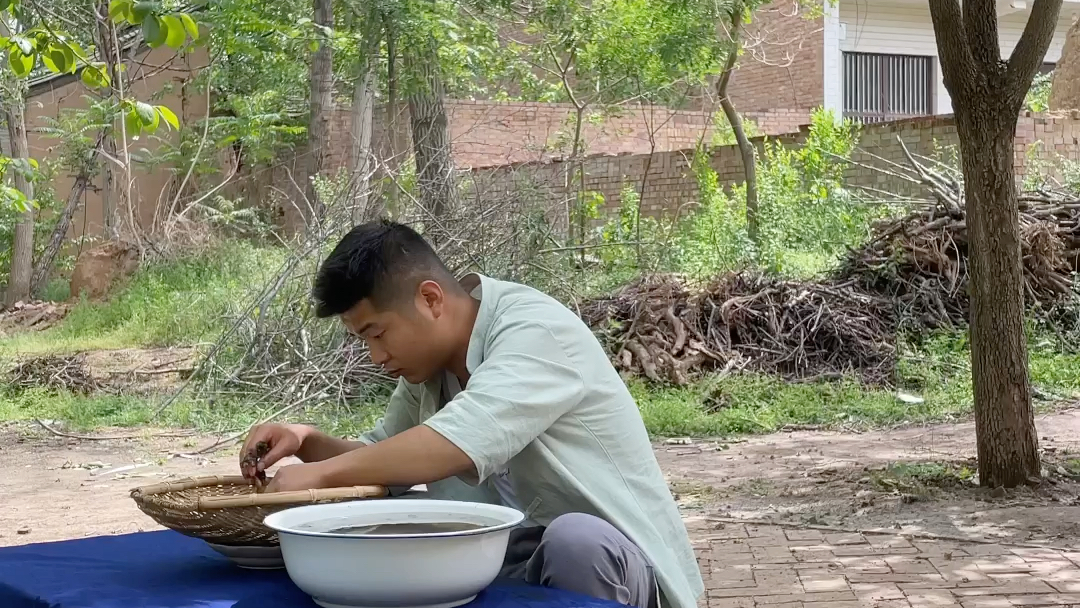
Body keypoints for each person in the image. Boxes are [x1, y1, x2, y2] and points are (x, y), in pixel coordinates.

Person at [239, 220, 703, 608]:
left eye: (377, 333)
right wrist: (305, 440)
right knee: (389, 519)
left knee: (576, 540)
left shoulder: (534, 331)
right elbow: (383, 458)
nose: (375, 355)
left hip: (618, 571)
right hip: (512, 564)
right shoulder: (430, 370)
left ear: (431, 299)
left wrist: (320, 476)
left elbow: (454, 444)